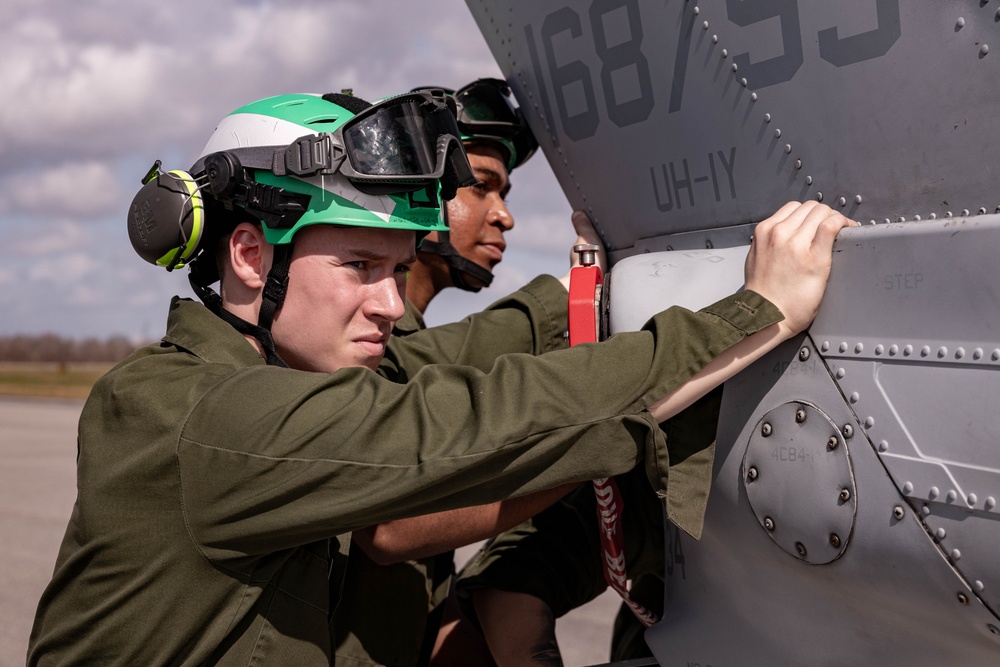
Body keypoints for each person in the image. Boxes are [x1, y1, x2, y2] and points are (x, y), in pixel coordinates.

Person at [28, 86, 853, 666]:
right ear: (249, 254)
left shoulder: (286, 371)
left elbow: (469, 351)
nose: (389, 304)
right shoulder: (199, 415)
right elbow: (475, 413)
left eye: (396, 268)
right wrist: (754, 313)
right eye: (358, 264)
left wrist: (595, 277)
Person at [332, 79, 591, 667]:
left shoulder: (407, 340)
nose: (504, 216)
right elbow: (391, 531)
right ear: (413, 192)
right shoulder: (362, 354)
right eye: (480, 186)